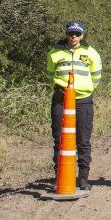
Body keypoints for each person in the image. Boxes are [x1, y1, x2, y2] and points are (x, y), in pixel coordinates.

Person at [46, 20, 102, 191]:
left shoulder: (91, 53)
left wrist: (84, 89)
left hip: (82, 100)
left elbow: (96, 76)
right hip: (61, 99)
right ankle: (60, 177)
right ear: (66, 34)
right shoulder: (54, 52)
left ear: (82, 35)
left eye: (77, 34)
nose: (74, 37)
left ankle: (83, 178)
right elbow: (50, 73)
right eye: (71, 33)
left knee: (83, 140)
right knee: (60, 139)